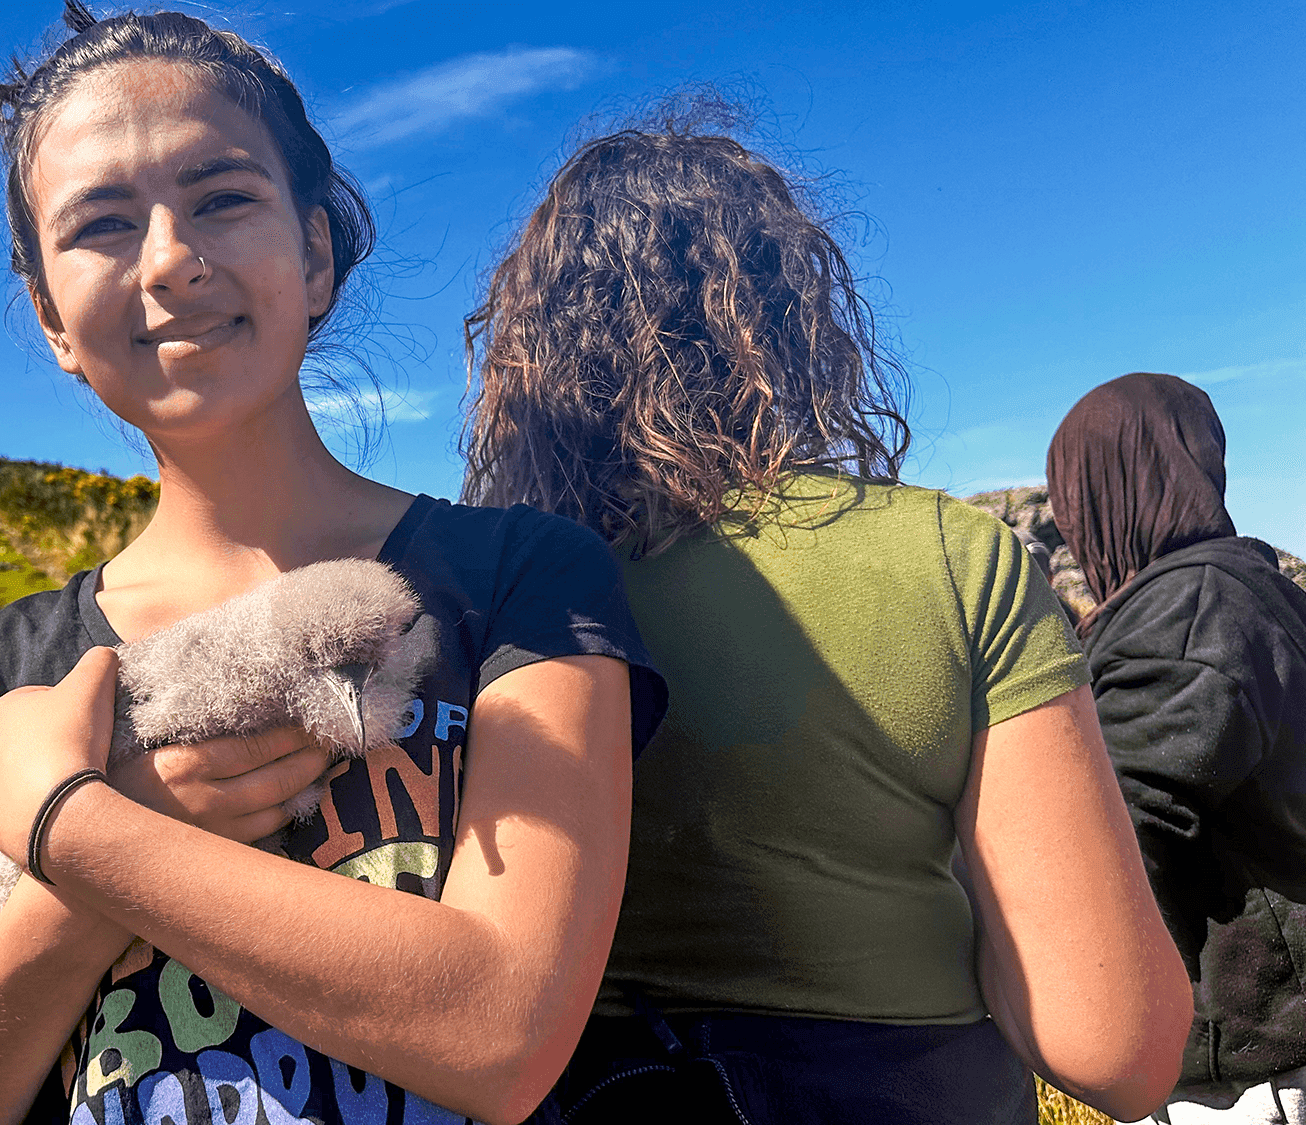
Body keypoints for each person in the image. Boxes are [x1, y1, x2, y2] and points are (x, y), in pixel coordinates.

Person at [0, 7, 666, 1125]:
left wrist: (73, 829)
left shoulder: (524, 578)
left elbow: (501, 1033)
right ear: (50, 319)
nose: (170, 260)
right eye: (101, 224)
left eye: (222, 198)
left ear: (314, 254)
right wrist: (88, 880)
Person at [459, 111, 1191, 1123]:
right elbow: (1115, 1048)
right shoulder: (950, 558)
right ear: (787, 316)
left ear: (532, 359)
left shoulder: (494, 594)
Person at [1047, 372, 1306, 1125]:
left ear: (1104, 492)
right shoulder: (1252, 592)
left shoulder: (1189, 611)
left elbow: (1114, 837)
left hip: (1253, 1073)